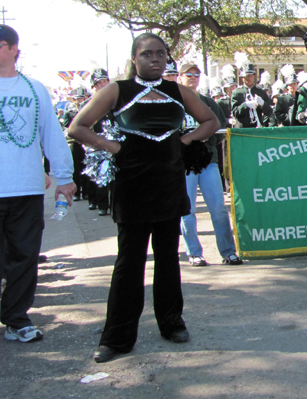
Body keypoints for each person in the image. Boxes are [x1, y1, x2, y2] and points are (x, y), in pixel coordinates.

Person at [69, 33, 219, 363]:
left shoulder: (177, 91)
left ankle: (171, 323)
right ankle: (118, 336)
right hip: (132, 186)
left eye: (161, 54)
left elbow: (211, 121)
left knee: (168, 257)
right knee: (130, 261)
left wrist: (186, 141)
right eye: (147, 54)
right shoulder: (117, 90)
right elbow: (77, 127)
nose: (155, 59)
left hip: (168, 184)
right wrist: (114, 147)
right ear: (134, 59)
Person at [0, 25, 76, 343]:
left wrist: (64, 177)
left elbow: (52, 135)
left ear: (14, 49)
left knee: (25, 255)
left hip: (25, 188)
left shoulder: (34, 90)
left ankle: (16, 317)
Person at [177, 63, 242, 267]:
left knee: (218, 208)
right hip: (184, 164)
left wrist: (206, 141)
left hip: (208, 162)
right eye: (189, 74)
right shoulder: (174, 103)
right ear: (180, 77)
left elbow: (220, 126)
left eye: (197, 74)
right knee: (187, 210)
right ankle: (194, 253)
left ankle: (228, 252)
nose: (193, 77)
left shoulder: (206, 101)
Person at [86, 69, 113, 216]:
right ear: (94, 86)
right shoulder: (90, 103)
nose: (102, 85)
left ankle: (115, 206)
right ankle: (101, 204)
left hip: (114, 143)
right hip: (97, 143)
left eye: (104, 81)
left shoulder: (116, 100)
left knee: (116, 178)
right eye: (98, 83)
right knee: (100, 177)